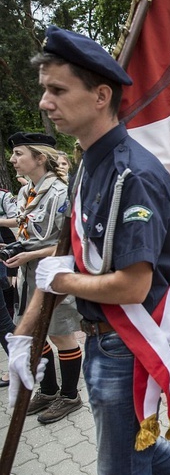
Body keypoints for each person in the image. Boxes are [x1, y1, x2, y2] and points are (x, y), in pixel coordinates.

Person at [6, 25, 170, 475]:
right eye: (43, 90)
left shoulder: (135, 176)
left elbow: (131, 285)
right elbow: (67, 254)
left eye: (57, 89)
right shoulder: (88, 165)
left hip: (129, 342)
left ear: (100, 95)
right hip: (103, 339)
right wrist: (22, 335)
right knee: (137, 451)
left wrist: (62, 282)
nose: (44, 103)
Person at [5, 131, 84, 425]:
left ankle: (70, 395)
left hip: (55, 274)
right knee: (40, 332)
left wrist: (29, 255)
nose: (13, 159)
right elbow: (28, 232)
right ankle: (48, 390)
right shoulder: (27, 192)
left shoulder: (61, 193)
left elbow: (74, 243)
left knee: (61, 334)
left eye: (19, 154)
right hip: (30, 274)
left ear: (39, 158)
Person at [0, 170, 19, 388]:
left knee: (4, 321)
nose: (13, 160)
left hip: (7, 263)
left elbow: (15, 228)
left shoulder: (4, 195)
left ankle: (21, 365)